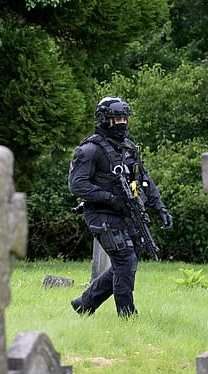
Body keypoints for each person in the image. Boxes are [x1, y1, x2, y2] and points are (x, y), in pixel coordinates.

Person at [68, 96, 173, 317]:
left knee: (124, 262)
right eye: (117, 119)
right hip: (101, 215)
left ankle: (85, 303)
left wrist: (160, 208)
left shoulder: (128, 148)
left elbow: (145, 180)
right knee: (125, 259)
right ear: (104, 120)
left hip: (125, 214)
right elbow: (77, 185)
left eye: (125, 118)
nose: (122, 123)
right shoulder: (89, 150)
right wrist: (109, 198)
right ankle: (127, 316)